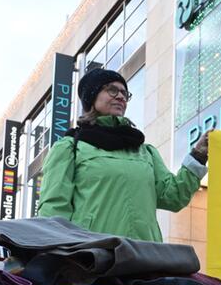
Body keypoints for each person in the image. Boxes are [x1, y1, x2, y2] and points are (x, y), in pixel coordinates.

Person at [36, 68, 210, 241]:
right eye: (112, 90)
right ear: (92, 96)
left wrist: (198, 156)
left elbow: (173, 197)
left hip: (144, 258)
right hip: (92, 258)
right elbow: (53, 210)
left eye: (124, 93)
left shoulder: (145, 151)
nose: (120, 96)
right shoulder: (69, 148)